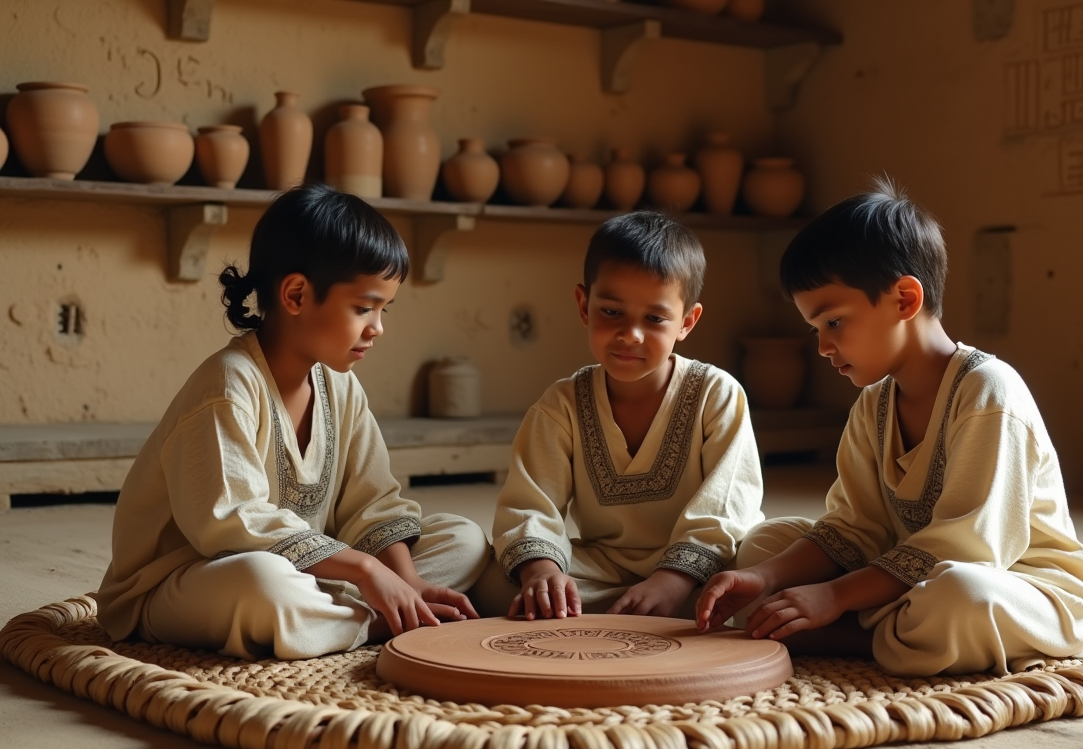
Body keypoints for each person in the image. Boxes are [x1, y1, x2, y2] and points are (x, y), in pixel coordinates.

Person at [695, 177, 1083, 676]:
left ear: (905, 300)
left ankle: (858, 637)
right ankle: (879, 623)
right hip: (910, 574)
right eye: (815, 329)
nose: (823, 346)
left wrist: (834, 595)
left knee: (960, 595)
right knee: (765, 542)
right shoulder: (873, 406)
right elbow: (852, 530)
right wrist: (762, 579)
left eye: (834, 322)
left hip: (1019, 586)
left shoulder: (988, 393)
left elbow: (969, 549)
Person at [95, 183, 490, 660]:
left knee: (464, 539)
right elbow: (229, 523)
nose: (377, 328)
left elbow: (374, 504)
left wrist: (407, 581)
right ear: (297, 294)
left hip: (309, 571)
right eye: (364, 308)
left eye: (384, 309)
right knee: (263, 584)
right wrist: (365, 572)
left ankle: (367, 613)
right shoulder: (227, 385)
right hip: (184, 583)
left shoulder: (341, 386)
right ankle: (375, 619)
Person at [473, 211, 765, 620]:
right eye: (612, 313)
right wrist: (542, 573)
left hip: (701, 572)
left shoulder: (716, 393)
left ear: (687, 321)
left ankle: (664, 602)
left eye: (654, 319)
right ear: (583, 305)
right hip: (600, 569)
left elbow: (728, 508)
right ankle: (635, 608)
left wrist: (671, 579)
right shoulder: (561, 405)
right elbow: (530, 505)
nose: (631, 334)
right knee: (485, 572)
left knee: (775, 545)